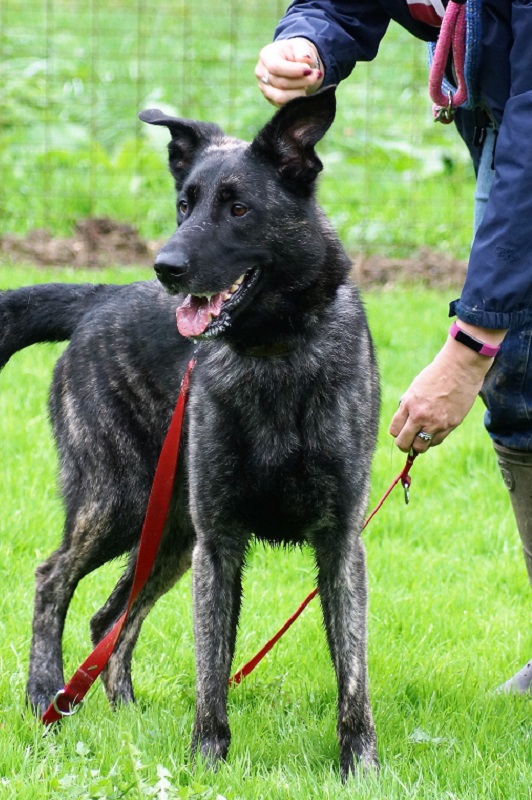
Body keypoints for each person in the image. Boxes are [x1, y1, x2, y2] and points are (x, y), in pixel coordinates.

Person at [255, 0, 531, 694]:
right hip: (503, 119)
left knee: (507, 344)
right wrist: (308, 44)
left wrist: (470, 350)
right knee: (523, 373)